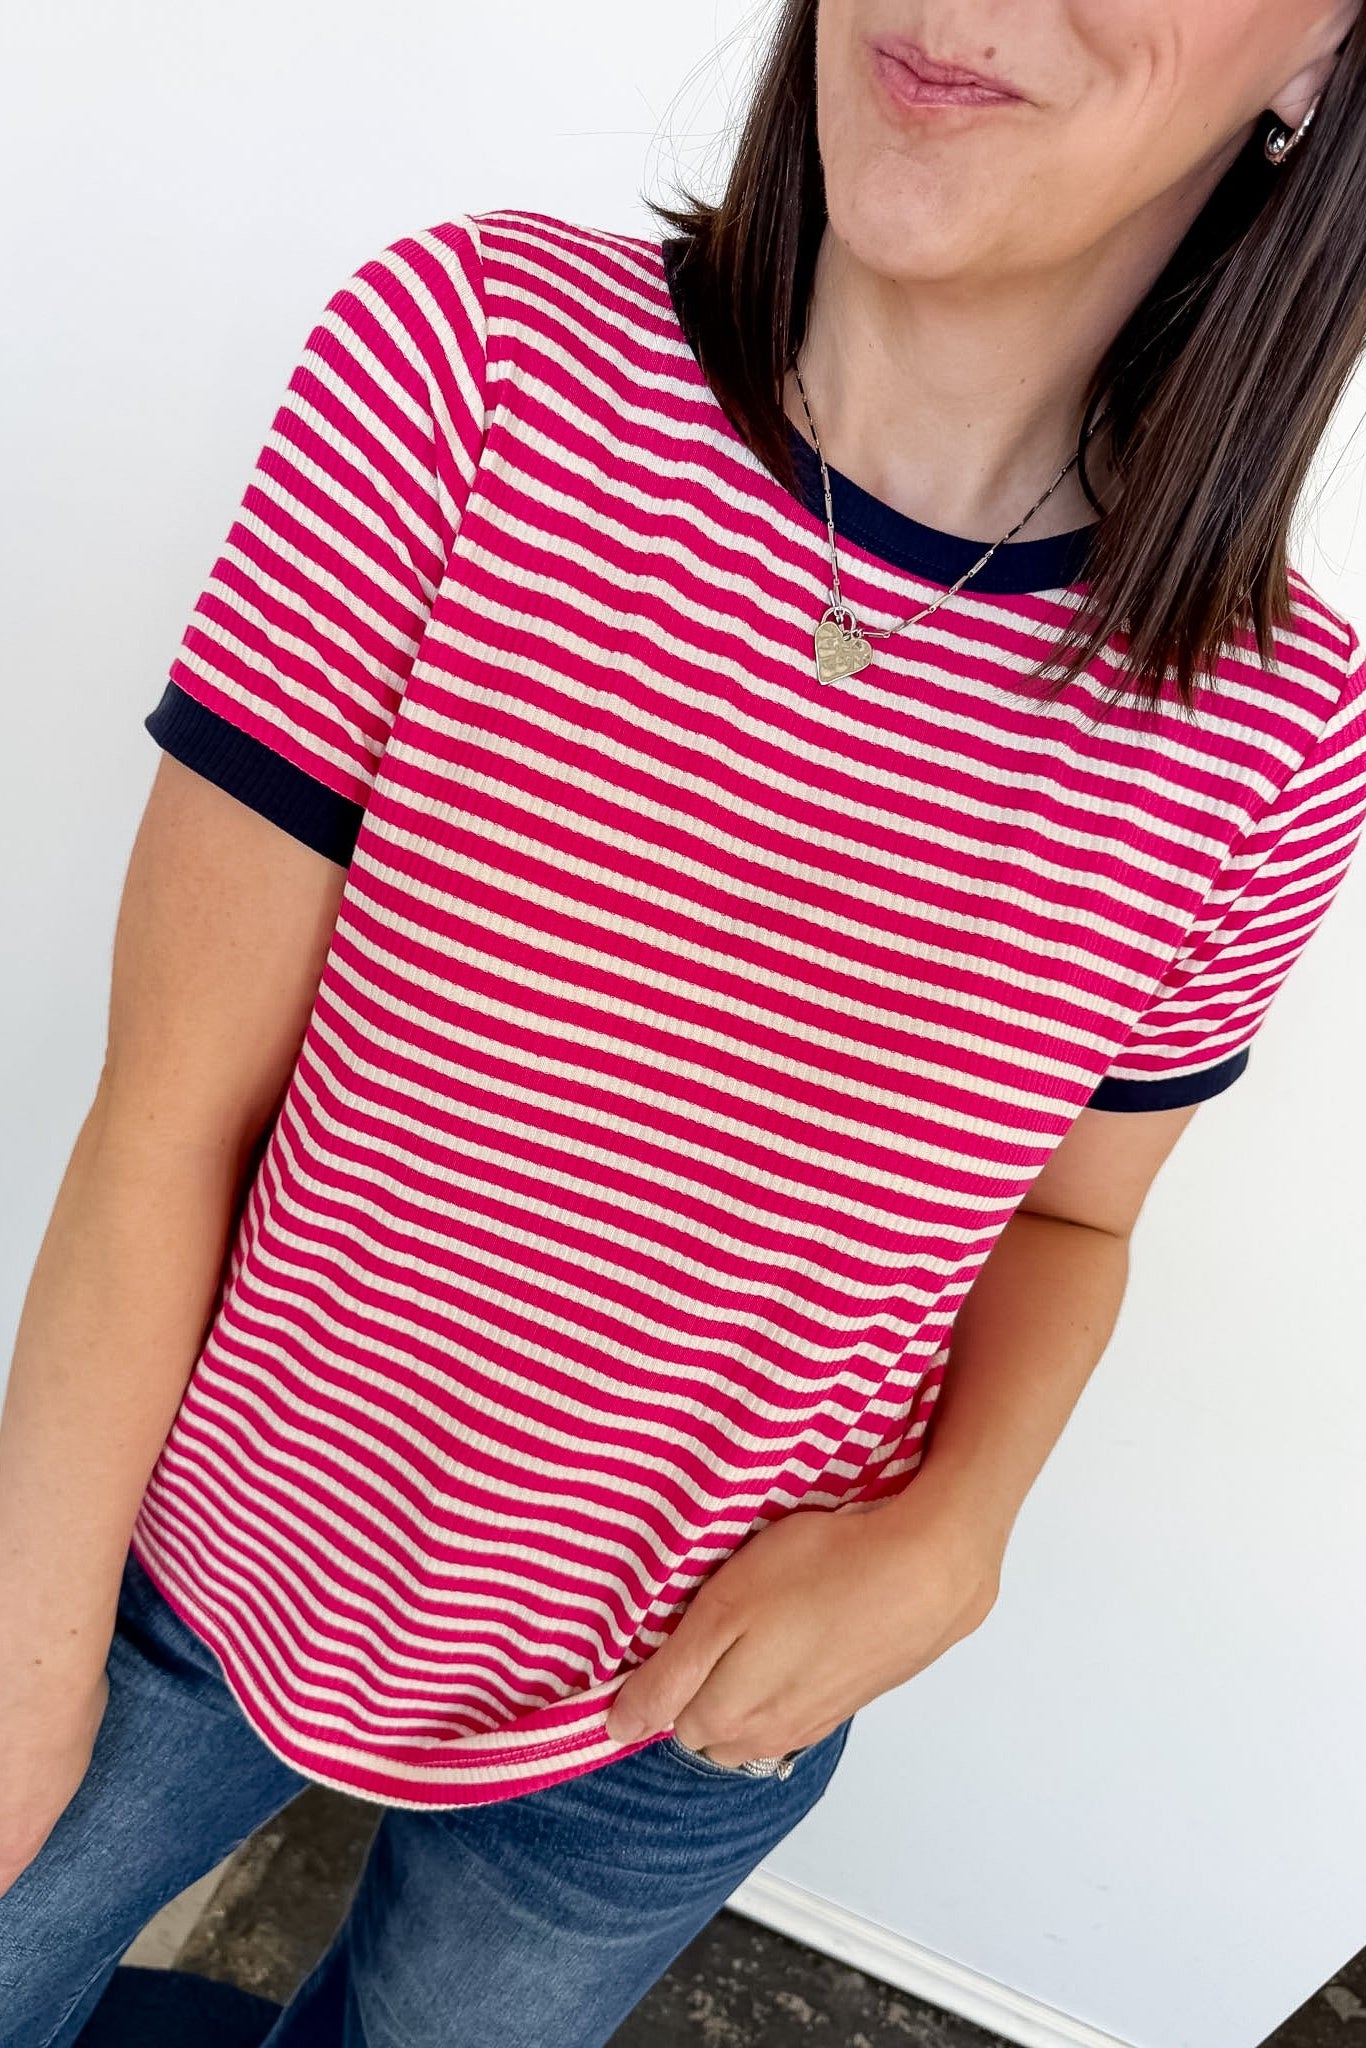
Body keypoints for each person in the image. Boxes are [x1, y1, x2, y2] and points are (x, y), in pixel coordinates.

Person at [4, 3, 1366, 2044]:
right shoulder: (467, 365)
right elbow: (170, 1107)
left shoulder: (1276, 731)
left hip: (675, 1722)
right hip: (187, 1575)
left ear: (1317, 62)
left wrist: (952, 1536)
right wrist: (26, 1656)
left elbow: (1067, 1224)